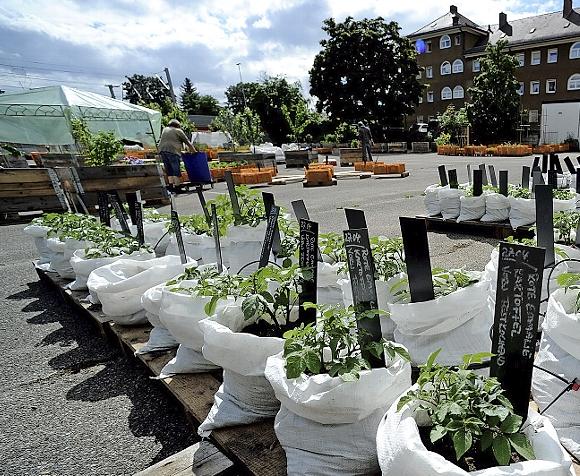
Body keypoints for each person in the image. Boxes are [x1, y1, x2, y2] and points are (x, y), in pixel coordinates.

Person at [158, 119, 196, 192]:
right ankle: (177, 187)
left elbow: (171, 140)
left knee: (169, 169)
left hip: (162, 150)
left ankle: (171, 186)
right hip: (172, 151)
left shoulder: (165, 130)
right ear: (177, 125)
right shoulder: (178, 131)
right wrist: (194, 151)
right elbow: (188, 142)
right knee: (175, 169)